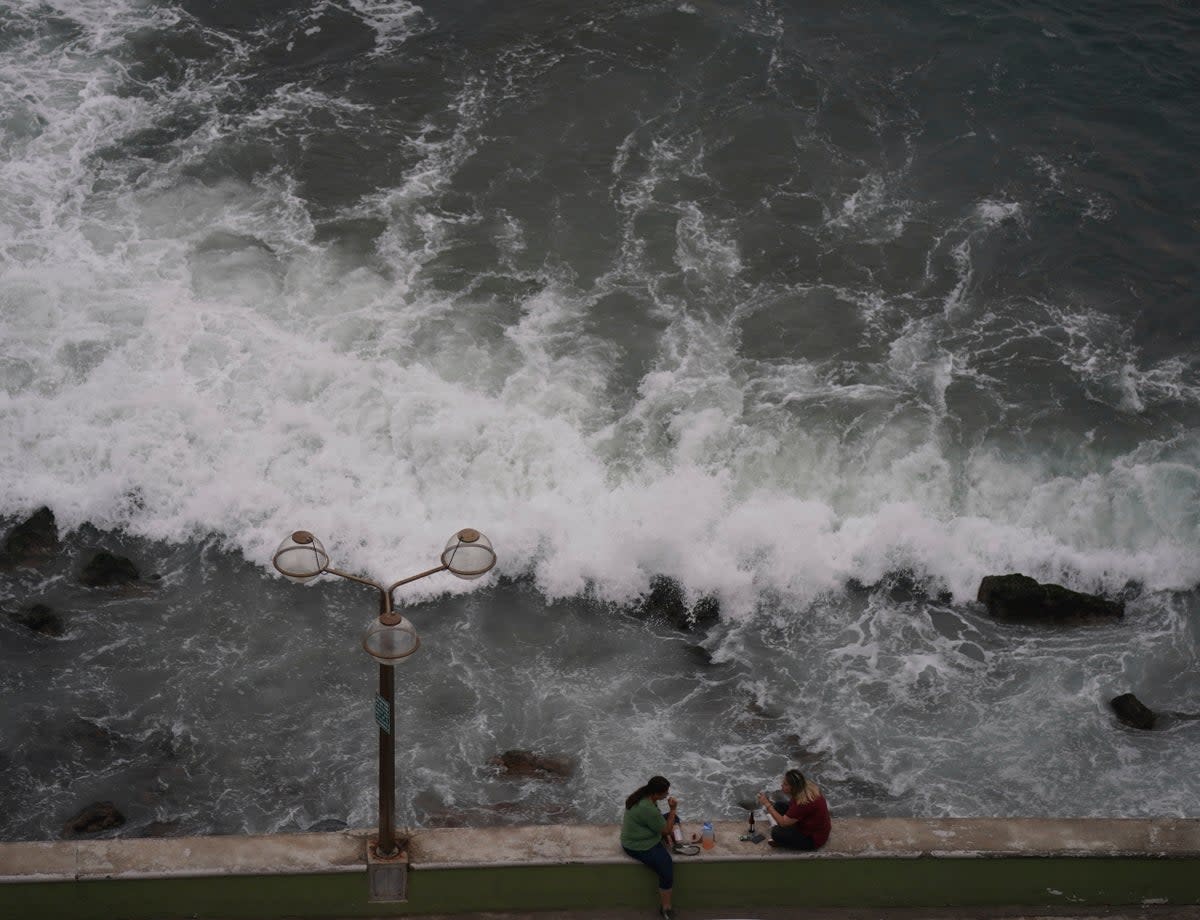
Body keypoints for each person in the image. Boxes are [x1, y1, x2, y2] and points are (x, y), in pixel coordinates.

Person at [620, 775, 680, 920]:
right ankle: (666, 908)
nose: (667, 794)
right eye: (665, 792)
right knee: (666, 869)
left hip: (643, 832)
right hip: (638, 845)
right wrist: (672, 809)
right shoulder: (647, 808)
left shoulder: (644, 796)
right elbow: (665, 830)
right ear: (656, 793)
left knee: (674, 820)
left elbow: (656, 819)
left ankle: (669, 840)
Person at [756, 768, 831, 850]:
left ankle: (786, 842)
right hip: (810, 825)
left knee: (776, 833)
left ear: (794, 787)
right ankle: (788, 831)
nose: (781, 785)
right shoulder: (805, 788)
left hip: (813, 839)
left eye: (785, 784)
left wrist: (767, 804)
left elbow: (783, 823)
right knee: (778, 806)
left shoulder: (803, 803)